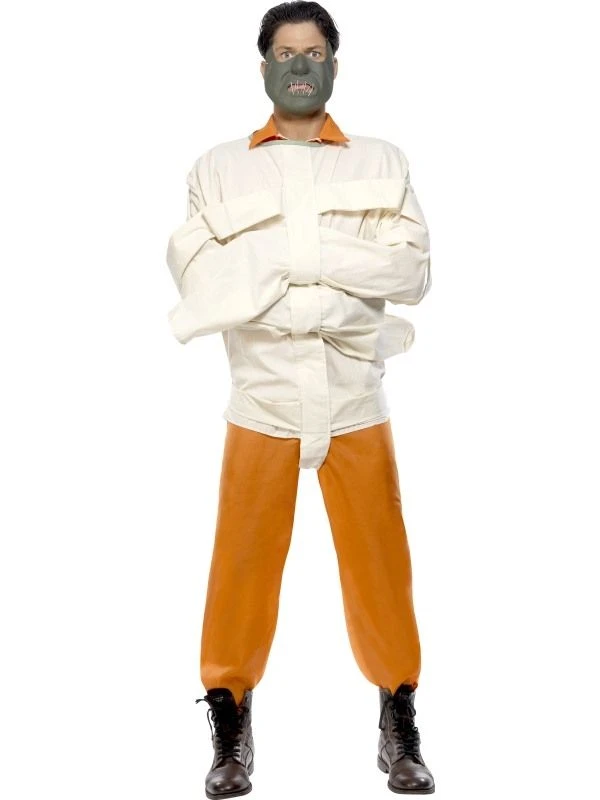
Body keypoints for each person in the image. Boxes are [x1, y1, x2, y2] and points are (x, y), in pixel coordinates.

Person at [165, 2, 435, 796]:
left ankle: (398, 718)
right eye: (285, 53)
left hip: (356, 400)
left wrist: (277, 264)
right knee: (240, 568)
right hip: (263, 401)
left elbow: (411, 274)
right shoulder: (216, 168)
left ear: (334, 65)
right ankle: (229, 722)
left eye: (313, 52)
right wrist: (341, 268)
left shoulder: (381, 160)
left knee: (382, 567)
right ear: (264, 68)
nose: (299, 65)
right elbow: (204, 284)